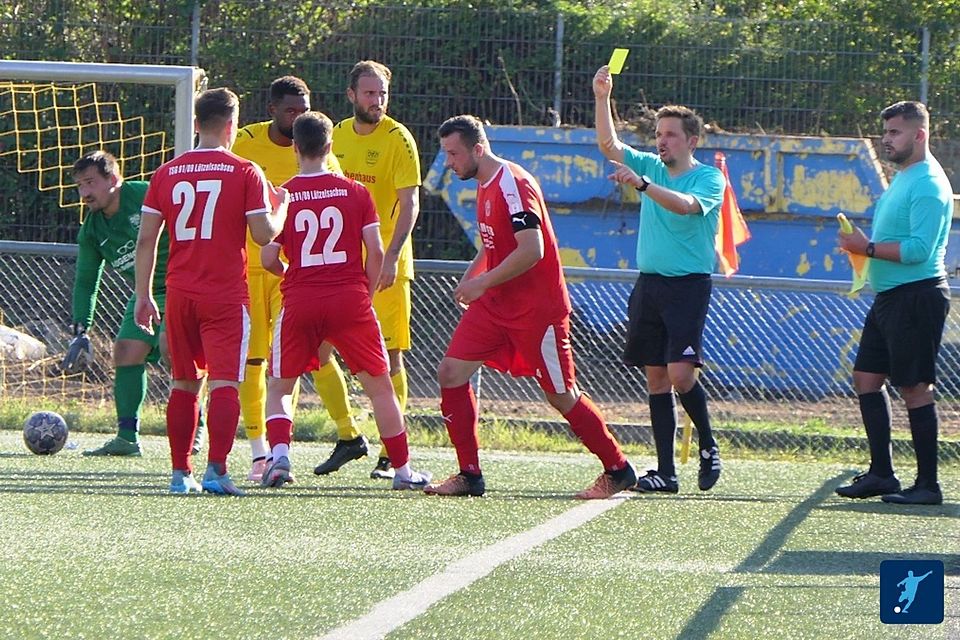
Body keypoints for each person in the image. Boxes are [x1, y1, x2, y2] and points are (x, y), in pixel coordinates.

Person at [426, 115, 637, 499]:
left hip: (536, 311)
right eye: (445, 153)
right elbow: (492, 245)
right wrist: (471, 277)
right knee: (451, 373)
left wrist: (480, 283)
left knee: (560, 394)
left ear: (478, 149)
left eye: (453, 153)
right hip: (495, 305)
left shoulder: (513, 184)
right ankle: (469, 475)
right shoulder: (484, 182)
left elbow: (531, 250)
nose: (449, 162)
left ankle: (618, 468)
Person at [259, 111, 431, 491]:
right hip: (349, 300)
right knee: (381, 388)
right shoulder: (356, 193)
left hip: (301, 300)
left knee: (280, 386)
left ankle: (281, 459)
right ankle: (402, 472)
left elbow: (268, 257)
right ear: (331, 146)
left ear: (296, 148)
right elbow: (376, 250)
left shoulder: (284, 195)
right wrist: (364, 296)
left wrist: (291, 278)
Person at [134, 87, 288, 495]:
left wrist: (144, 295)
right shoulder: (245, 170)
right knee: (224, 383)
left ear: (197, 124)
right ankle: (216, 471)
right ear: (233, 126)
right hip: (224, 295)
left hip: (179, 293)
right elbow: (263, 233)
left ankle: (179, 475)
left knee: (184, 383)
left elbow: (146, 240)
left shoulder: (167, 172)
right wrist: (282, 206)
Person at [593, 65, 725, 494]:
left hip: (687, 286)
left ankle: (708, 445)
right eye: (659, 133)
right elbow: (609, 144)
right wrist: (601, 96)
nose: (662, 140)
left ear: (692, 140)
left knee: (681, 374)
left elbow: (687, 206)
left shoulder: (708, 177)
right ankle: (666, 472)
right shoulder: (650, 164)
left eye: (670, 134)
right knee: (656, 379)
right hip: (649, 285)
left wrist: (644, 184)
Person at [231, 75, 359, 482]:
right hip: (251, 269)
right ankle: (260, 451)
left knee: (316, 357)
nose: (298, 116)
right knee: (254, 362)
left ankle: (349, 434)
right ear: (272, 110)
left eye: (303, 109)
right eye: (290, 110)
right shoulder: (246, 142)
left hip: (295, 276)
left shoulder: (320, 151)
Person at [836, 101, 950, 506]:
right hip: (891, 298)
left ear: (919, 135)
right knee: (866, 378)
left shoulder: (928, 184)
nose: (887, 140)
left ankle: (927, 486)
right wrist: (861, 246)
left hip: (916, 297)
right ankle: (883, 474)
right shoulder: (904, 177)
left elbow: (919, 250)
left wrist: (864, 246)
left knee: (915, 389)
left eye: (895, 133)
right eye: (885, 133)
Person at [315, 59, 423, 481]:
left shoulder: (399, 138)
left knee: (389, 357)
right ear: (351, 95)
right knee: (317, 351)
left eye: (382, 94)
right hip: (340, 265)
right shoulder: (335, 135)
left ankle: (389, 452)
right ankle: (348, 435)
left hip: (386, 264)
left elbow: (410, 204)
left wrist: (392, 255)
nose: (377, 101)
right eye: (369, 93)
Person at [66, 151, 206, 457]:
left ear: (113, 179)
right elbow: (87, 280)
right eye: (79, 186)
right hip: (145, 293)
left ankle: (195, 426)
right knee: (126, 351)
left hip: (183, 284)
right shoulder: (91, 229)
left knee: (175, 355)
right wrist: (81, 328)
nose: (84, 193)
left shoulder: (145, 193)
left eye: (90, 182)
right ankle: (127, 438)